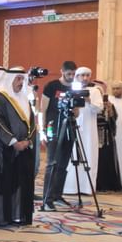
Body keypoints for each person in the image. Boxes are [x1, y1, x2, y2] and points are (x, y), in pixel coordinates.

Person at [0, 66, 36, 226]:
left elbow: (32, 123)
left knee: (23, 183)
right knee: (8, 183)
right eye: (18, 79)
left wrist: (28, 140)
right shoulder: (1, 97)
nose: (21, 82)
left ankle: (21, 215)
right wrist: (13, 142)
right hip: (7, 150)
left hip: (25, 148)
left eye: (22, 79)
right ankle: (6, 217)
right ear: (9, 79)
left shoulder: (24, 98)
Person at [41, 61, 77, 206]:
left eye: (73, 74)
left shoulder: (75, 88)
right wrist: (43, 129)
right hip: (53, 126)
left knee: (63, 164)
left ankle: (57, 195)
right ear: (62, 71)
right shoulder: (52, 86)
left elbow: (77, 112)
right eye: (69, 73)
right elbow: (43, 108)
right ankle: (47, 198)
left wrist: (75, 107)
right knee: (52, 163)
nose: (71, 76)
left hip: (69, 127)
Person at [63, 67, 104, 195]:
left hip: (89, 131)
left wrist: (89, 101)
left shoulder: (95, 91)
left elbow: (99, 108)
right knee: (73, 156)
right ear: (77, 77)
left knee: (89, 155)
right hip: (74, 127)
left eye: (87, 75)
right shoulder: (71, 89)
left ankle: (87, 188)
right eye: (82, 75)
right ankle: (71, 187)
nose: (85, 78)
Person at [95, 80, 122, 192]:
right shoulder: (91, 103)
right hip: (94, 135)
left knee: (107, 160)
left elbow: (113, 120)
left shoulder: (109, 105)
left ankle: (107, 184)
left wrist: (110, 111)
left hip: (106, 137)